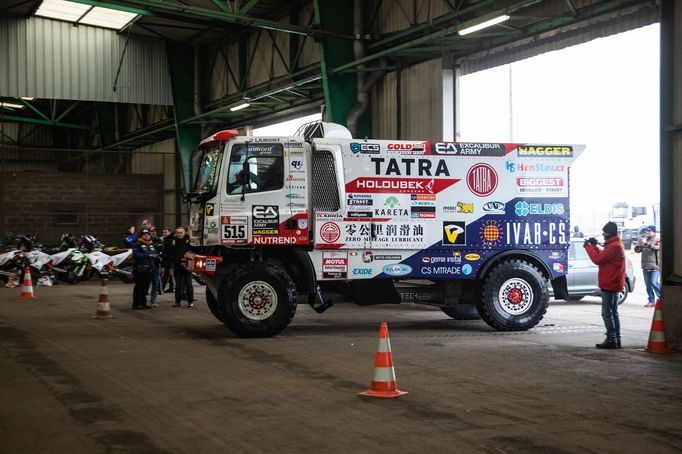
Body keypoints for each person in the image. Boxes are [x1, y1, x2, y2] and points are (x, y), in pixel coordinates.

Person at [584, 221, 626, 349]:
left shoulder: (614, 246)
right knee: (613, 312)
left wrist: (588, 247)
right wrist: (595, 246)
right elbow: (603, 256)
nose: (603, 234)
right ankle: (616, 339)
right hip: (614, 282)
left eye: (605, 232)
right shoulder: (616, 245)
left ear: (610, 233)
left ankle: (611, 339)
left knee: (607, 313)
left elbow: (598, 259)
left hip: (609, 282)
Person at [634, 225, 661, 307]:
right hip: (645, 266)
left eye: (649, 231)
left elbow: (658, 248)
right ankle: (651, 301)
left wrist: (646, 243)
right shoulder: (644, 239)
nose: (647, 232)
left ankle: (663, 298)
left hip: (655, 266)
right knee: (648, 285)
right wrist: (638, 245)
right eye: (646, 231)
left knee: (654, 282)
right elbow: (637, 251)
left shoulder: (657, 239)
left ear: (653, 231)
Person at [132, 229, 158, 310]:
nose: (147, 236)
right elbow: (136, 255)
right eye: (144, 234)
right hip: (140, 269)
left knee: (145, 287)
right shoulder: (137, 244)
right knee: (139, 287)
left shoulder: (151, 244)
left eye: (148, 234)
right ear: (141, 236)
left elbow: (156, 253)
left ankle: (143, 303)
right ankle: (136, 304)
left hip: (150, 269)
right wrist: (148, 255)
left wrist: (156, 255)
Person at [170, 226, 194, 308]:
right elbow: (170, 253)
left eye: (181, 233)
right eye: (178, 233)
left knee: (188, 285)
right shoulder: (173, 241)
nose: (179, 234)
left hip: (187, 266)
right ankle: (177, 302)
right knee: (178, 286)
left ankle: (190, 301)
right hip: (177, 267)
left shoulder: (189, 241)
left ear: (184, 233)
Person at [149, 227, 163, 307]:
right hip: (147, 264)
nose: (153, 233)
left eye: (154, 231)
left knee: (155, 282)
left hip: (156, 264)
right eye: (152, 231)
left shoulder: (159, 241)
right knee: (147, 283)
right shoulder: (146, 241)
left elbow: (162, 251)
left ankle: (153, 301)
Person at [161, 227, 175, 293]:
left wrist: (171, 259)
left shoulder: (171, 240)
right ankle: (171, 288)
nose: (164, 233)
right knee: (170, 274)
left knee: (166, 275)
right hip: (167, 259)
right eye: (163, 232)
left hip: (170, 260)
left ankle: (161, 289)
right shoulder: (166, 239)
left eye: (166, 232)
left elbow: (172, 251)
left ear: (169, 232)